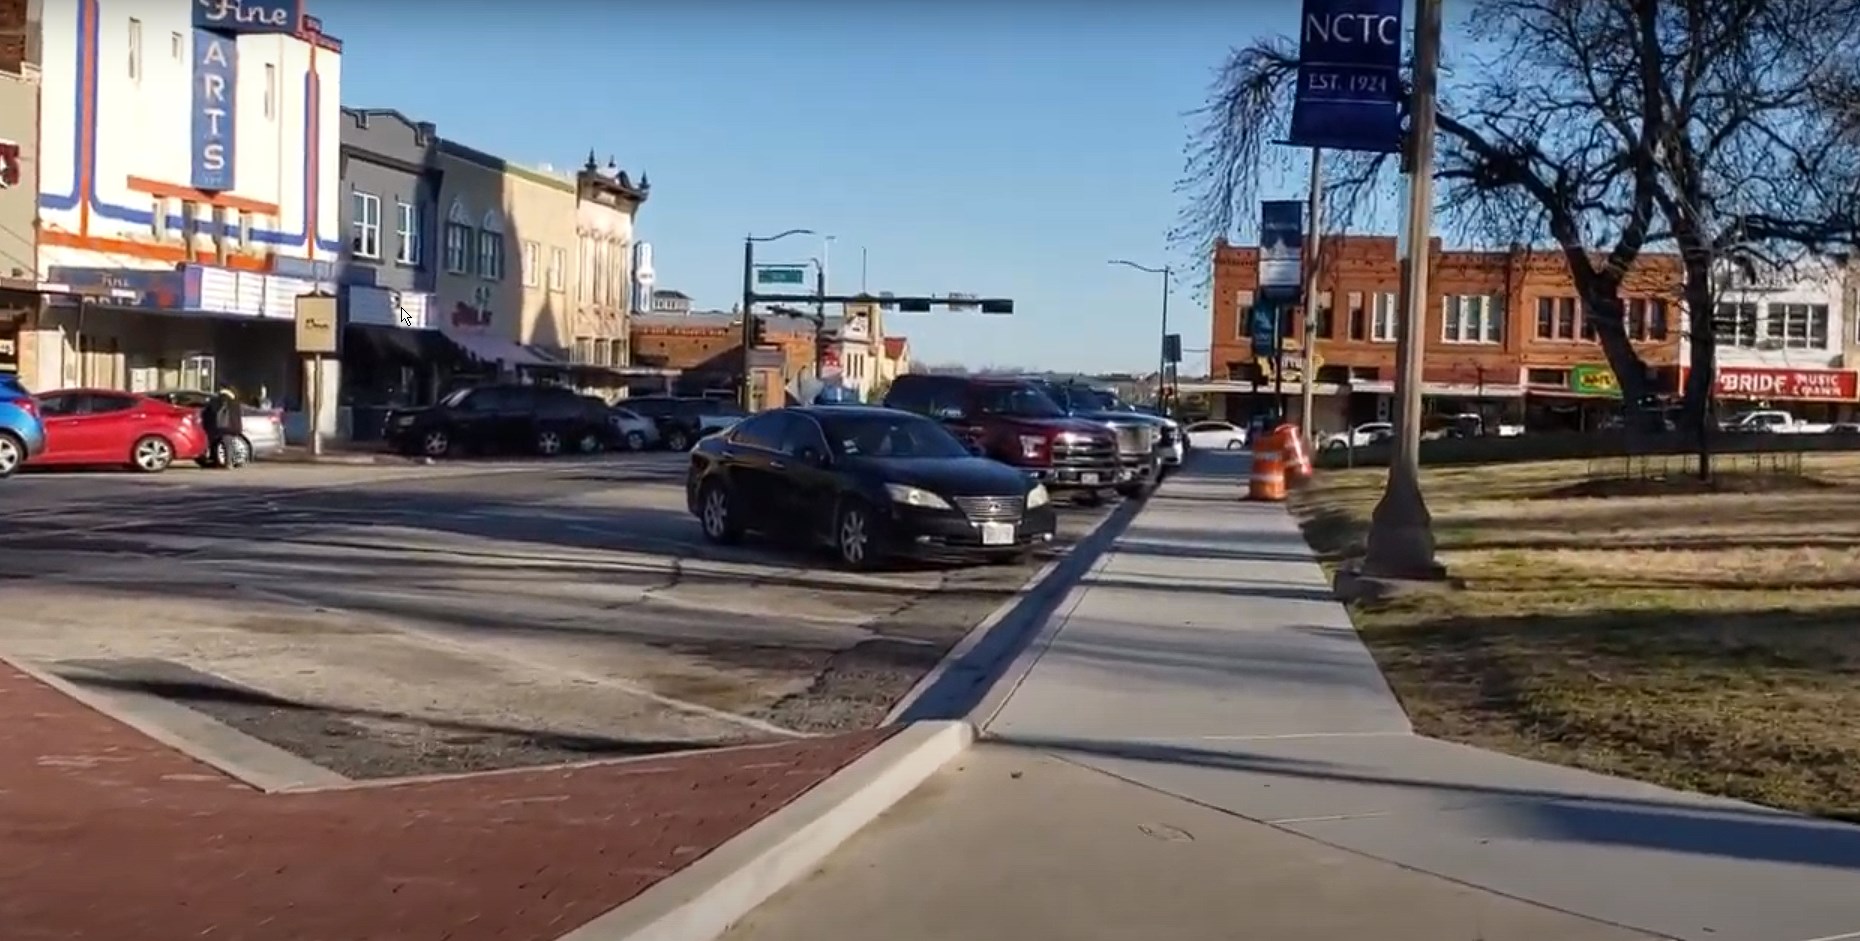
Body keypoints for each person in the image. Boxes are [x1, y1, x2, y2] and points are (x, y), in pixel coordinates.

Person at [203, 386, 244, 468]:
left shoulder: (222, 399)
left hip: (224, 426)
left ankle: (227, 463)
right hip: (233, 426)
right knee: (230, 444)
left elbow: (214, 410)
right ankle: (235, 462)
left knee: (224, 444)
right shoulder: (235, 400)